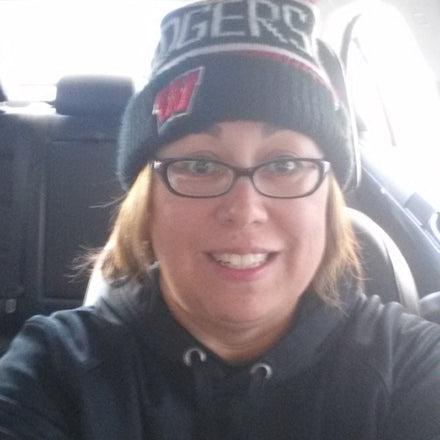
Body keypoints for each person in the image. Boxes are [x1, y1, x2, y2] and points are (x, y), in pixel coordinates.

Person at [1, 0, 439, 438]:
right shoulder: (53, 374)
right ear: (148, 202)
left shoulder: (411, 368)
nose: (245, 210)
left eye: (285, 165)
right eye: (199, 165)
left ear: (328, 198)